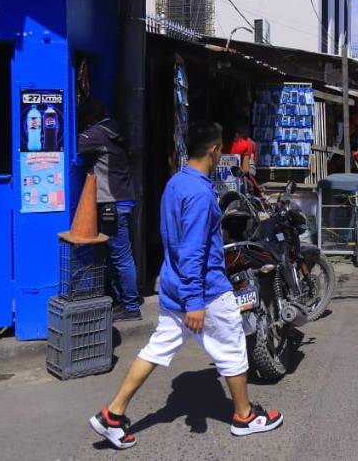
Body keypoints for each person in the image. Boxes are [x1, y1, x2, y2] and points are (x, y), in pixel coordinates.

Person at [89, 121, 283, 449]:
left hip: (173, 285)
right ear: (214, 150)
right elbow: (192, 251)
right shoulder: (199, 194)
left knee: (157, 348)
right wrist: (195, 300)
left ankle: (113, 413)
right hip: (204, 290)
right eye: (221, 148)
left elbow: (176, 242)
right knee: (233, 347)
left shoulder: (176, 183)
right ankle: (244, 416)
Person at [77, 100, 141, 321]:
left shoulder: (97, 134)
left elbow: (69, 143)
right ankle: (124, 301)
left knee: (121, 256)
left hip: (111, 203)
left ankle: (131, 307)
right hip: (121, 200)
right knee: (118, 255)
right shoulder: (114, 129)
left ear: (89, 118)